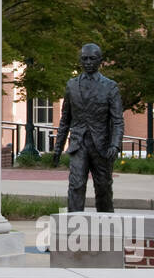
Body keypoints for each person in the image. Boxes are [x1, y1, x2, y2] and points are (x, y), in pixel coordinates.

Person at [51, 43, 124, 212]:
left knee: (103, 187)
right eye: (84, 59)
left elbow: (118, 120)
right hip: (78, 143)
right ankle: (74, 225)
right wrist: (58, 148)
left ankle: (106, 224)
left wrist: (115, 144)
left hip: (102, 146)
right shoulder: (72, 85)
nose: (88, 62)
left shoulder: (110, 86)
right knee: (76, 184)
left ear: (100, 61)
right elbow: (65, 120)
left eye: (92, 59)